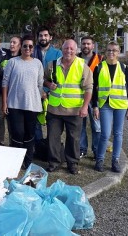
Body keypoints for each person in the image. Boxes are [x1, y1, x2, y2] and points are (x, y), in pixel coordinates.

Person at [43, 39, 93, 175]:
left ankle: (72, 163)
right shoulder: (52, 64)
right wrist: (48, 85)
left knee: (74, 139)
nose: (68, 51)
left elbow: (89, 88)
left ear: (76, 50)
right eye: (66, 48)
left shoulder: (82, 66)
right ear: (62, 49)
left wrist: (84, 107)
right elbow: (43, 79)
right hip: (54, 109)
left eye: (71, 49)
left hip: (74, 110)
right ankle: (53, 162)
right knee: (52, 137)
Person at [1, 35, 44, 168]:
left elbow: (40, 84)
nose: (27, 48)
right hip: (14, 104)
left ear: (33, 48)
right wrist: (4, 102)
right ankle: (16, 160)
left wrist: (41, 96)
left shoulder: (38, 63)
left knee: (29, 134)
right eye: (25, 45)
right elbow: (5, 83)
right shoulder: (12, 62)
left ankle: (28, 160)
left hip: (32, 104)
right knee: (17, 133)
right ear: (21, 47)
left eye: (30, 46)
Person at [92, 41, 128, 172]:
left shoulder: (123, 67)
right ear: (105, 52)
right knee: (105, 133)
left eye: (114, 50)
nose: (111, 53)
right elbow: (94, 89)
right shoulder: (99, 67)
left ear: (118, 52)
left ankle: (115, 161)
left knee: (118, 133)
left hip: (121, 104)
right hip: (105, 104)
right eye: (109, 50)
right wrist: (95, 106)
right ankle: (100, 160)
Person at [33, 27, 63, 147]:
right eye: (41, 35)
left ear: (50, 37)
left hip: (52, 93)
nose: (43, 38)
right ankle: (38, 146)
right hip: (34, 91)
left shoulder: (57, 53)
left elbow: (60, 74)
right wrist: (40, 91)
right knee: (36, 121)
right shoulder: (32, 51)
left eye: (45, 35)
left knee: (52, 122)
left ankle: (51, 147)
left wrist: (47, 90)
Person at [78, 36, 103, 158]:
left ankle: (97, 150)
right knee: (80, 125)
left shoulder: (100, 60)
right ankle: (82, 149)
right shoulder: (75, 58)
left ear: (93, 45)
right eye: (84, 44)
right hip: (79, 97)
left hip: (95, 99)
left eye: (88, 44)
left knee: (97, 126)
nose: (86, 46)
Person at [0, 36, 22, 146]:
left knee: (12, 119)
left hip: (14, 93)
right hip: (0, 91)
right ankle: (1, 141)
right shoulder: (3, 56)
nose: (11, 44)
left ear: (20, 45)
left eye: (14, 42)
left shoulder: (22, 58)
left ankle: (13, 142)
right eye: (11, 42)